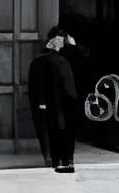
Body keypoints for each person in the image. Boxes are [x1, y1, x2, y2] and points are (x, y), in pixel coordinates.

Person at [27, 25, 80, 173]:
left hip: (64, 102)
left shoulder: (64, 60)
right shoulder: (43, 61)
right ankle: (57, 160)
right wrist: (42, 102)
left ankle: (63, 160)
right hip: (53, 103)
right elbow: (38, 85)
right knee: (54, 131)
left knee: (63, 131)